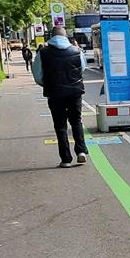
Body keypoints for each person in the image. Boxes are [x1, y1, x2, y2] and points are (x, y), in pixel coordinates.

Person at [32, 26, 88, 168]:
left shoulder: (43, 53)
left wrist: (47, 84)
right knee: (76, 121)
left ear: (51, 36)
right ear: (65, 36)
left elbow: (38, 75)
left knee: (60, 126)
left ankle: (66, 159)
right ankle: (81, 151)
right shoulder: (76, 51)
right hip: (75, 92)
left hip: (55, 93)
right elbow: (82, 69)